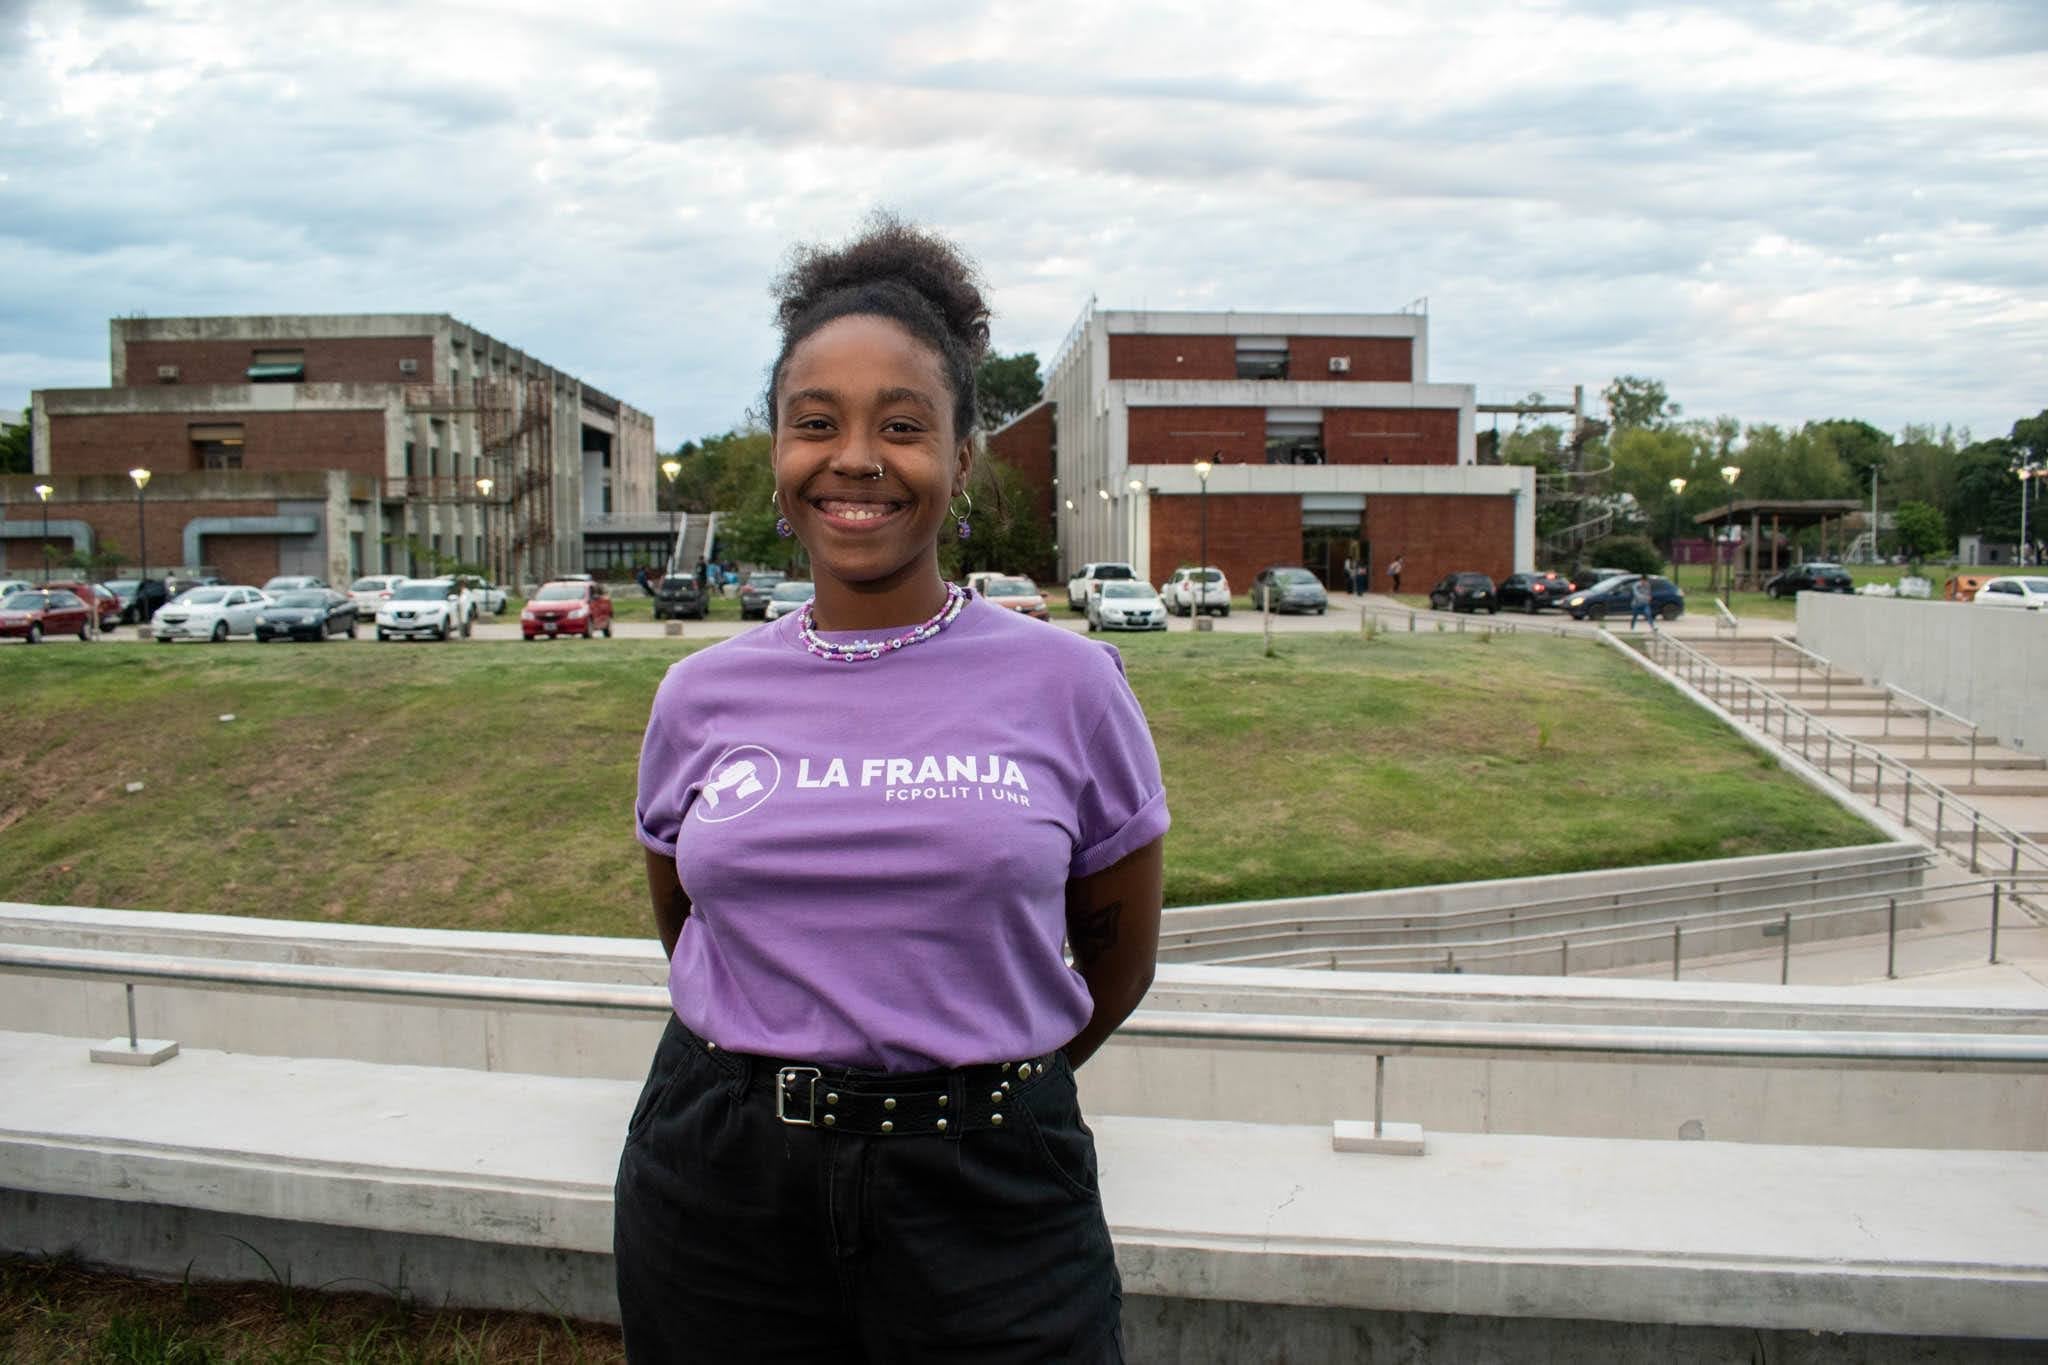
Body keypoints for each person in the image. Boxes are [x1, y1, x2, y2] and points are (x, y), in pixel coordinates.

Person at [614, 215, 1169, 1363]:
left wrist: (974, 1090)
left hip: (991, 1194)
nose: (854, 458)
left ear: (961, 459)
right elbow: (690, 928)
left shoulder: (1068, 683)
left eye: (902, 427)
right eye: (814, 424)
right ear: (775, 452)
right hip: (717, 1182)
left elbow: (1115, 962)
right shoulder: (699, 696)